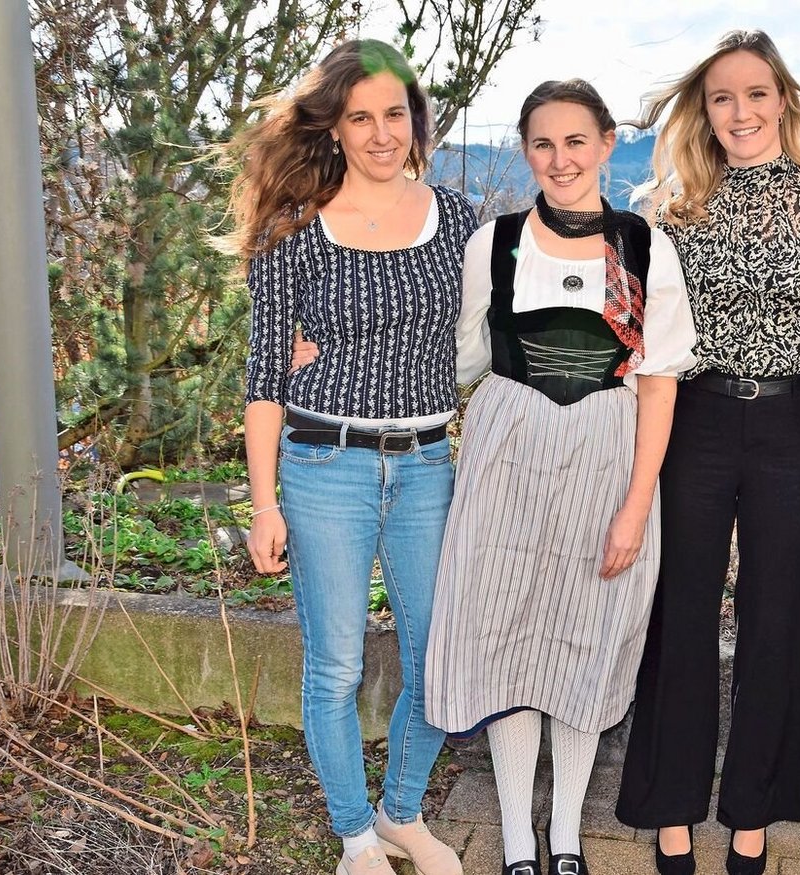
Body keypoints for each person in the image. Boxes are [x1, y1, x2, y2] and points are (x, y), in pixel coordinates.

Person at [422, 80, 695, 875]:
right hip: (507, 457)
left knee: (587, 634)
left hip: (607, 457)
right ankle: (517, 836)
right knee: (506, 633)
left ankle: (566, 834)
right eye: (543, 143)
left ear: (606, 143)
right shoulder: (496, 243)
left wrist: (636, 507)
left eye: (576, 140)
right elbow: (462, 359)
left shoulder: (643, 247)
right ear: (526, 150)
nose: (560, 158)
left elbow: (659, 384)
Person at [613, 30, 800, 875]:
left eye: (756, 93)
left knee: (779, 614)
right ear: (705, 108)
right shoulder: (670, 207)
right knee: (679, 608)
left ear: (783, 100)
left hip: (791, 422)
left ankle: (753, 811)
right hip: (697, 418)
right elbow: (633, 335)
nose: (740, 111)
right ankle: (670, 807)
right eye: (722, 97)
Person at [231, 38, 473, 875]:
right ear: (333, 127)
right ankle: (355, 836)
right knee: (334, 664)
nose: (380, 133)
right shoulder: (293, 229)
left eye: (394, 114)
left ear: (416, 120)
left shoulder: (460, 220)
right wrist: (264, 503)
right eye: (360, 117)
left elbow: (499, 329)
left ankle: (401, 813)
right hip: (323, 466)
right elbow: (264, 377)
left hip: (426, 467)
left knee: (437, 663)